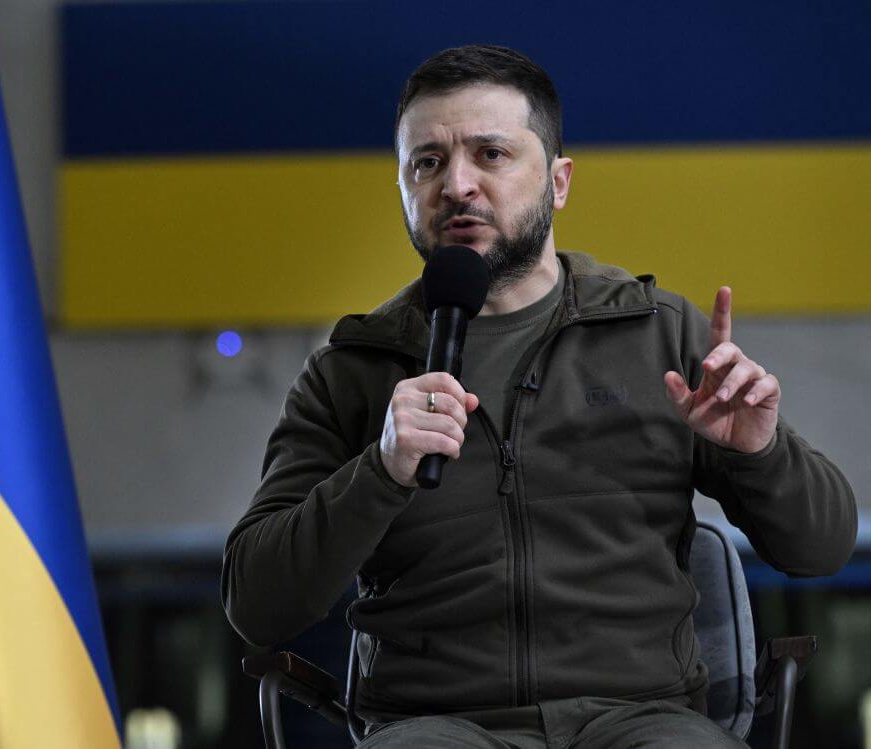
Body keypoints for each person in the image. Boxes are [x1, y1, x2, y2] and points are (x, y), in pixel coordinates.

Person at [221, 45, 857, 748]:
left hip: (643, 719)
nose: (456, 184)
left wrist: (760, 453)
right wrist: (380, 469)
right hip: (435, 725)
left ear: (558, 182)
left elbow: (820, 546)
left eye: (490, 154)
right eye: (426, 162)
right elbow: (258, 605)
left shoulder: (657, 332)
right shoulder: (352, 370)